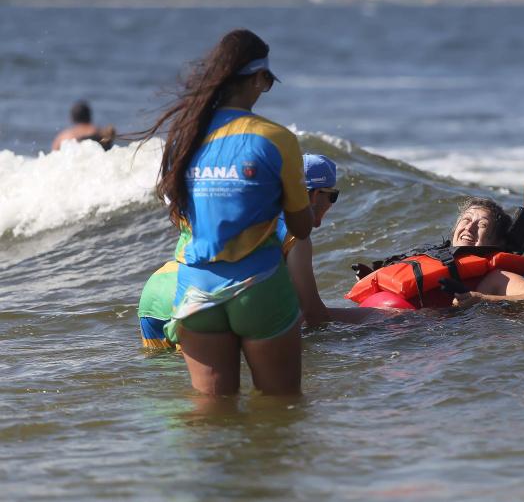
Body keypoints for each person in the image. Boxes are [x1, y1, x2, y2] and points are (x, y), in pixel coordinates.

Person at [141, 28, 313, 396]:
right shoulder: (275, 137)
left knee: (212, 417)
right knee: (280, 408)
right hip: (258, 285)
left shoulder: (183, 136)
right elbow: (301, 225)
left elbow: (182, 216)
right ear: (258, 79)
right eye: (267, 82)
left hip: (195, 289)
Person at [137, 153, 339, 348]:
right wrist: (367, 323)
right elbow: (313, 314)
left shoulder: (234, 209)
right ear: (314, 194)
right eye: (332, 196)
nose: (331, 204)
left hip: (157, 291)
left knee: (164, 376)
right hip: (203, 300)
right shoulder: (295, 232)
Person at [346, 197, 524, 310]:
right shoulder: (434, 256)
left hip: (411, 331)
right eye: (466, 220)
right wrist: (373, 279)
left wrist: (482, 299)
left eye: (482, 225)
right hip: (383, 318)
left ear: (497, 242)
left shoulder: (496, 275)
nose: (470, 228)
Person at [52, 100, 117, 151]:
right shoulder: (101, 132)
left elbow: (53, 156)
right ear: (89, 116)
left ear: (72, 118)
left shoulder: (64, 136)